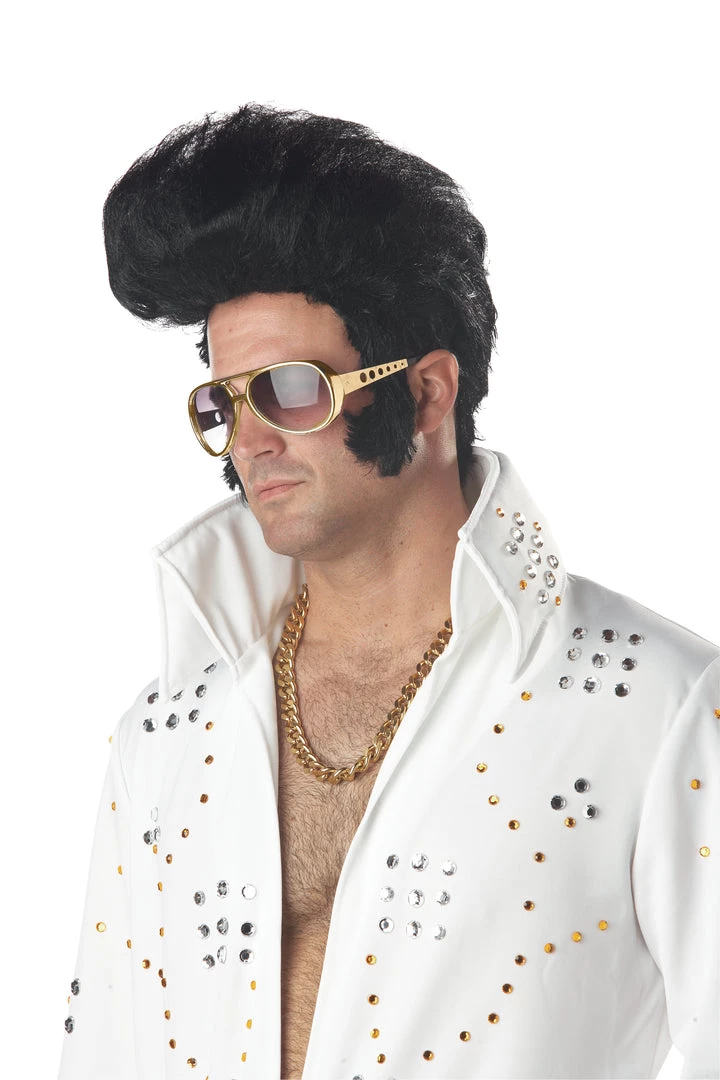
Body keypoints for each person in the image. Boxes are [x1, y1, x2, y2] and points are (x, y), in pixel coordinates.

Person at [59, 104, 719, 1080]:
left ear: (427, 393)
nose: (251, 441)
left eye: (289, 390)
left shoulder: (656, 707)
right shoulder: (165, 732)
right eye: (225, 403)